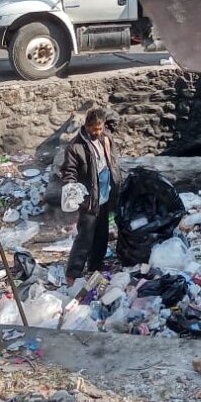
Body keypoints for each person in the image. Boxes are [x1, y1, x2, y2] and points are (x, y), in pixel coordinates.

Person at [62, 107, 122, 284]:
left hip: (105, 194)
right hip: (89, 198)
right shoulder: (75, 147)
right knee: (85, 236)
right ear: (87, 126)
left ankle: (96, 265)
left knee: (102, 234)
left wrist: (101, 114)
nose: (97, 132)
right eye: (94, 129)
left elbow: (115, 118)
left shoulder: (105, 136)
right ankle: (73, 272)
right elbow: (69, 172)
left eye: (100, 128)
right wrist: (72, 189)